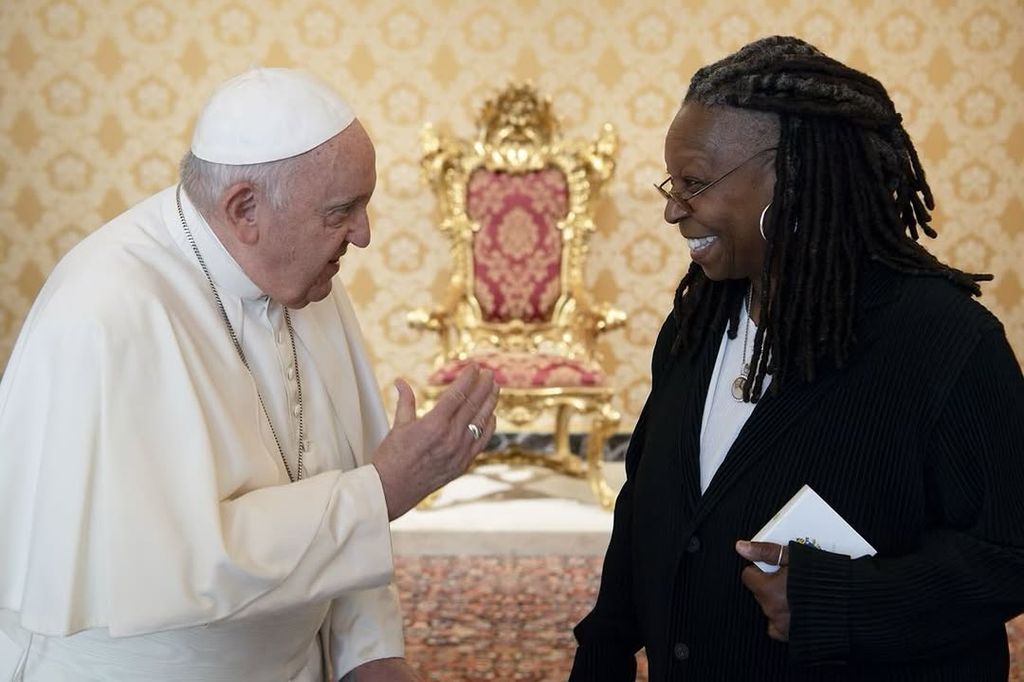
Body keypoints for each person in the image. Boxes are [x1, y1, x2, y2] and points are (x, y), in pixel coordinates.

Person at [0, 67, 499, 681]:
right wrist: (384, 492)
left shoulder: (307, 282)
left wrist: (371, 653)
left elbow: (338, 484)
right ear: (245, 209)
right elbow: (165, 561)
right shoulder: (105, 313)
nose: (364, 236)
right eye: (343, 211)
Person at [570, 35, 1024, 681]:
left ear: (796, 176)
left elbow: (1009, 553)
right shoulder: (698, 320)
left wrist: (837, 604)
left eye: (695, 183)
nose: (673, 209)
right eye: (673, 183)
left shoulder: (946, 340)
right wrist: (604, 650)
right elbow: (648, 505)